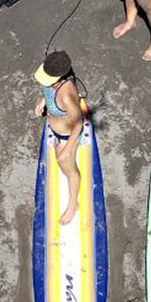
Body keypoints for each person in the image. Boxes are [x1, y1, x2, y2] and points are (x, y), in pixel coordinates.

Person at [33, 51, 86, 225]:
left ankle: (73, 205)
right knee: (62, 164)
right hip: (56, 128)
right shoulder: (55, 72)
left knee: (69, 170)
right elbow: (49, 89)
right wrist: (44, 101)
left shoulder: (67, 96)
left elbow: (78, 123)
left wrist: (68, 149)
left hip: (65, 136)